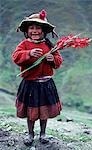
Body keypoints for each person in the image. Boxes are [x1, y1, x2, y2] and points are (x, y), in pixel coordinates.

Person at [12, 9, 63, 146]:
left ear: (44, 30)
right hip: (30, 84)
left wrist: (52, 59)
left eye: (38, 28)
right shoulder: (24, 45)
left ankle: (43, 133)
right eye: (31, 28)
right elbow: (16, 57)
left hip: (46, 84)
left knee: (44, 111)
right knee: (31, 111)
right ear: (27, 30)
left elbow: (58, 61)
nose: (35, 31)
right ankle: (30, 133)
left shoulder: (49, 45)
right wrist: (29, 54)